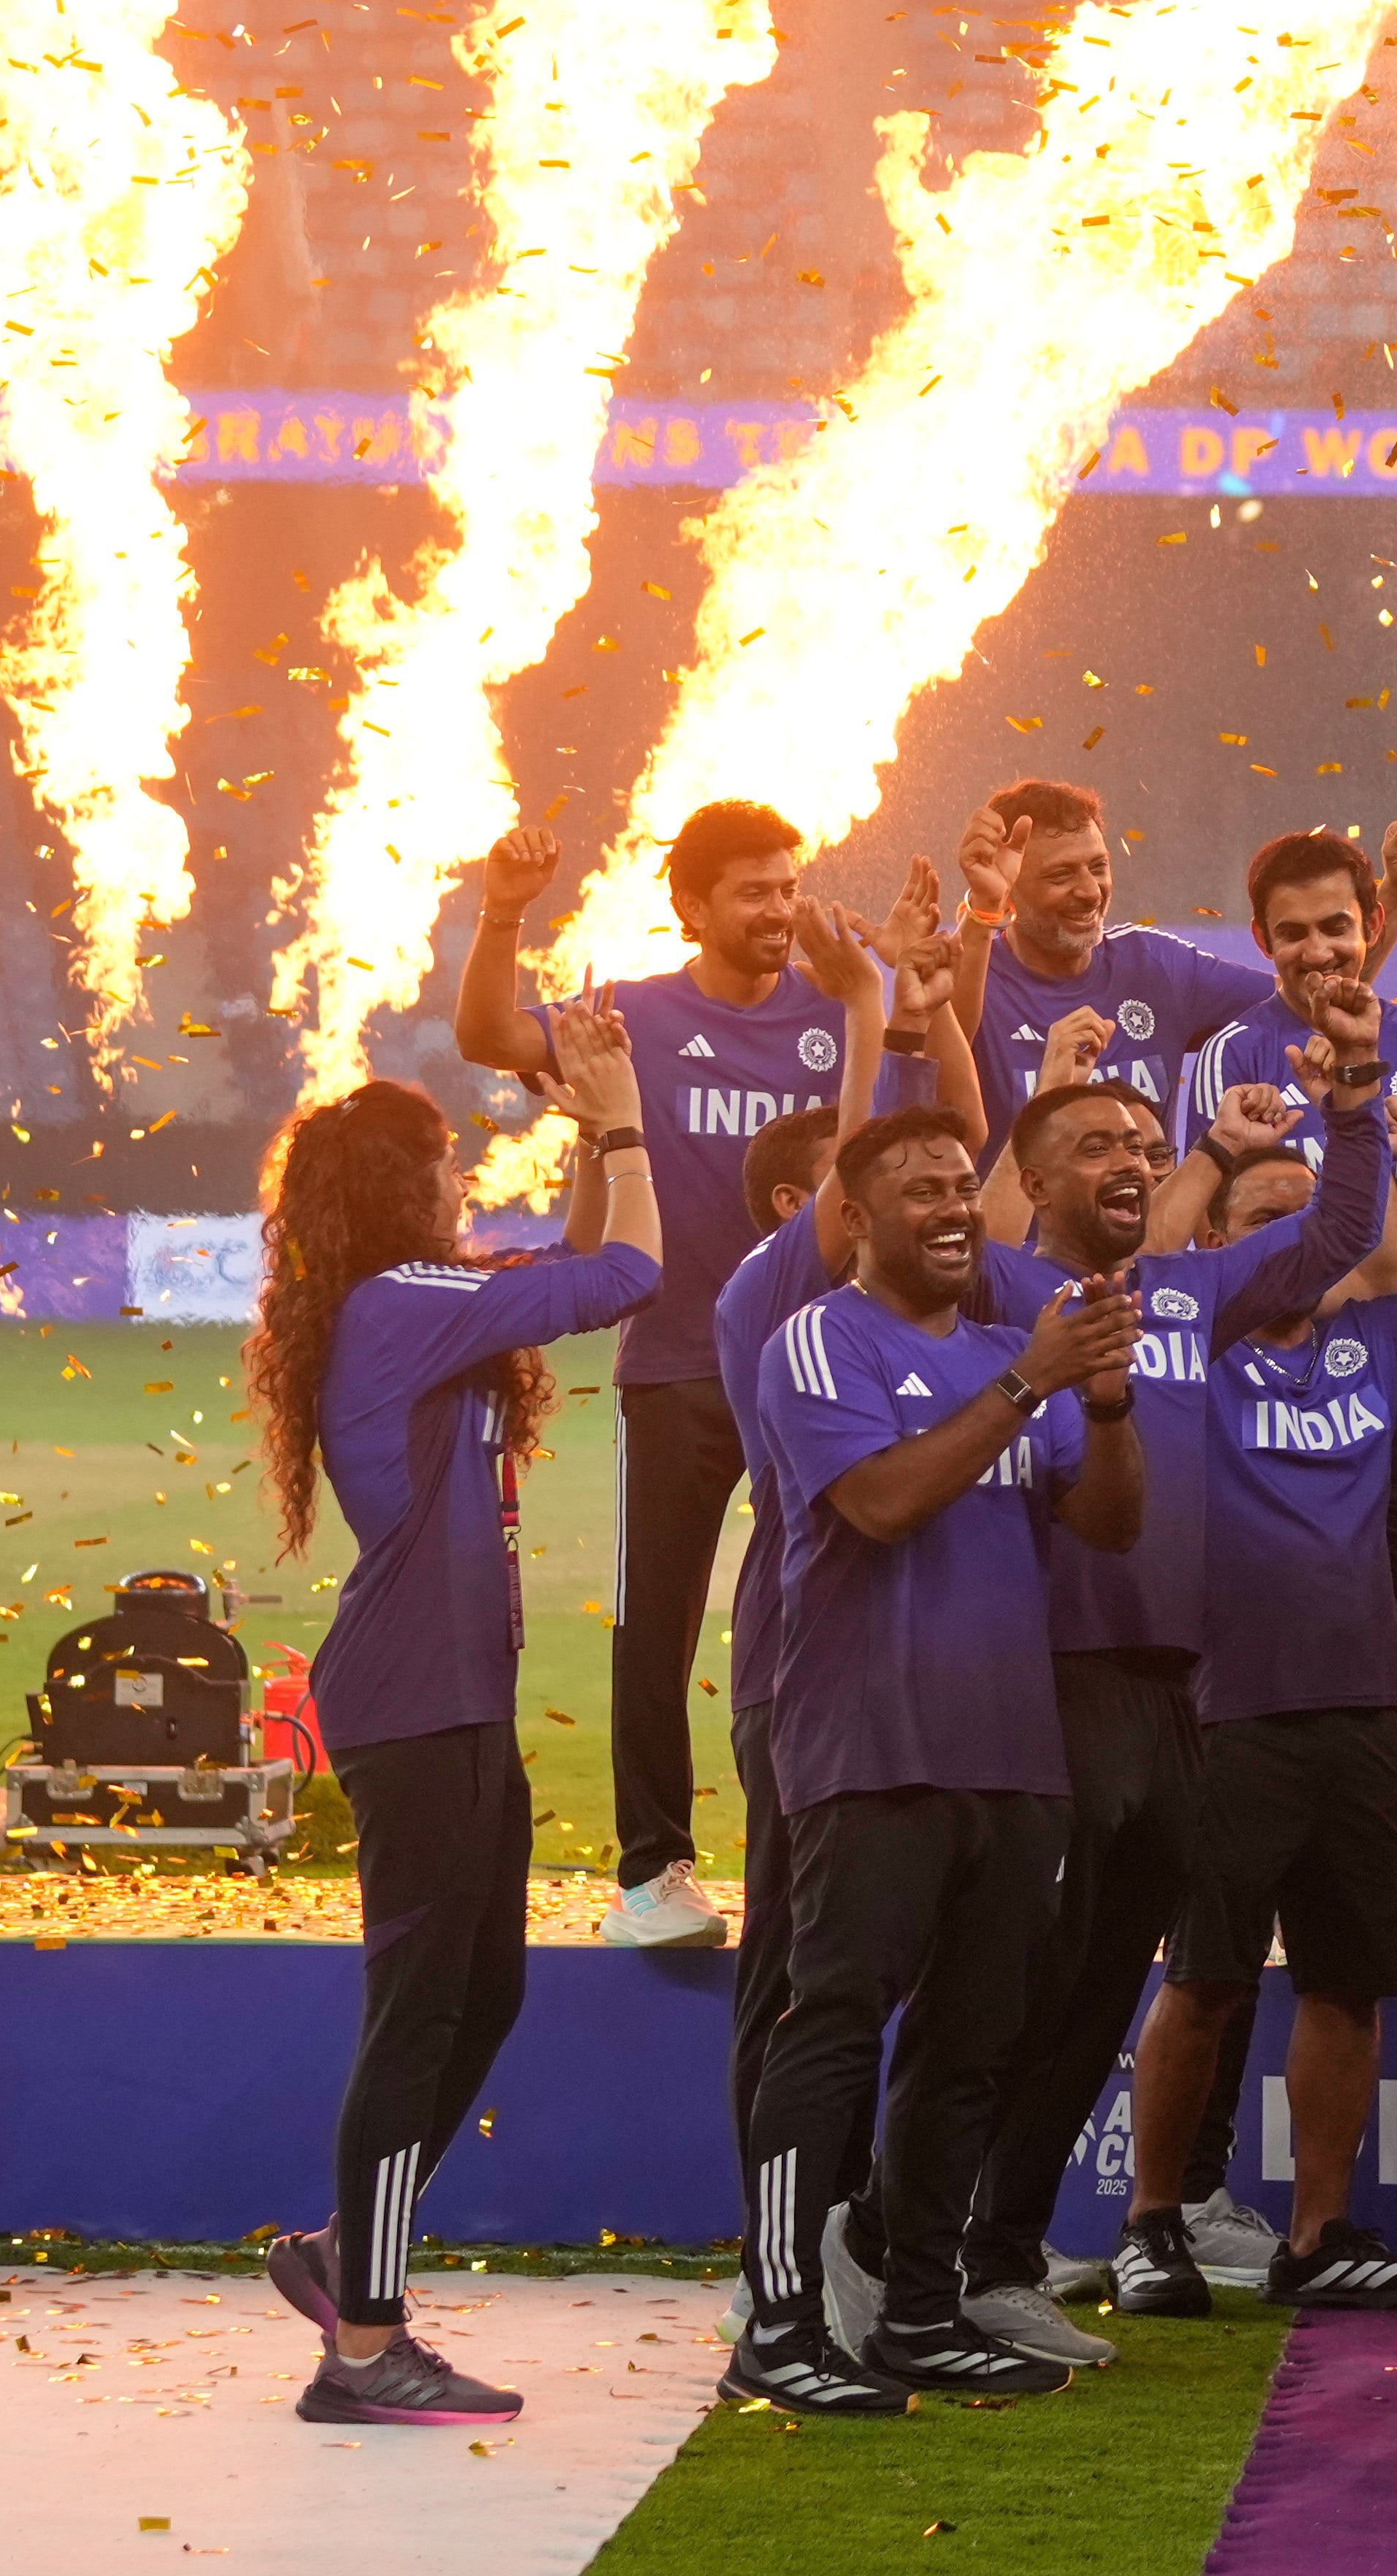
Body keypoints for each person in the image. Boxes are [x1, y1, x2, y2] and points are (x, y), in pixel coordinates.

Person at [244, 1005, 664, 2423]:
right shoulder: (399, 1304)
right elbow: (628, 1274)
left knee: (484, 1994)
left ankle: (341, 2253)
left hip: (453, 1690)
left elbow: (570, 1264)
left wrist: (587, 1137)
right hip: (416, 1693)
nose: (460, 1177)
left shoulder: (413, 1298)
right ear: (399, 1182)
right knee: (416, 2012)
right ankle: (363, 2345)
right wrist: (621, 1119)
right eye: (441, 1160)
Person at [967, 997, 1393, 2338]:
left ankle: (998, 2252)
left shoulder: (1192, 1298)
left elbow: (1337, 1233)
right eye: (1099, 1144)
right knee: (1019, 1982)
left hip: (1178, 1687)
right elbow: (973, 1232)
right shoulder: (1005, 1290)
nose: (1133, 1160)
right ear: (1036, 1180)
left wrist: (1355, 1097)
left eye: (1145, 1145)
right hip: (1047, 1674)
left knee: (1100, 1989)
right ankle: (918, 2241)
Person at [728, 1108, 1144, 2417]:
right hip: (870, 1741)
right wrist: (1029, 1383)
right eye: (920, 1190)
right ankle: (778, 2317)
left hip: (1011, 1750)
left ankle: (918, 2309)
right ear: (855, 1218)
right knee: (834, 2025)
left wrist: (1107, 1399)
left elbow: (1110, 1522)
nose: (955, 1207)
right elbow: (880, 1503)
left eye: (965, 1185)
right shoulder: (821, 1340)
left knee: (971, 2041)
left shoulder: (1004, 1351)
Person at [1118, 1087, 1397, 2313]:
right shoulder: (1190, 1350)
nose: (1301, 1240)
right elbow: (1146, 1268)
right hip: (1230, 1709)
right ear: (1219, 1245)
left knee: (1348, 1982)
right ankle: (1151, 2223)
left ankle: (1319, 2234)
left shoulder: (1378, 1341)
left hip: (1359, 1704)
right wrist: (1213, 1156)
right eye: (1268, 1221)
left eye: (1315, 1218)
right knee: (1207, 1977)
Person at [1143, 818, 1397, 1977]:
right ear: (1260, 941)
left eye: (1336, 927)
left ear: (1369, 927)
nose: (1316, 951)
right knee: (1252, 1634)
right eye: (1292, 934)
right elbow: (1194, 1226)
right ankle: (1228, 1873)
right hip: (1258, 1383)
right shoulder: (1231, 1055)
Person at [454, 801, 831, 1953]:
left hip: (821, 1369)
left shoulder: (839, 1011)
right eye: (754, 892)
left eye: (787, 887)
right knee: (655, 1621)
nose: (778, 910)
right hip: (676, 1361)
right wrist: (503, 913)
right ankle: (652, 1873)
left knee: (833, 1615)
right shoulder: (632, 1016)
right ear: (693, 907)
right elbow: (488, 1035)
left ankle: (825, 1852)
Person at [947, 777, 1279, 1132]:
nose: (1091, 892)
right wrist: (985, 902)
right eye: (1060, 875)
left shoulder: (1156, 965)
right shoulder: (977, 979)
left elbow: (1299, 1006)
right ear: (1009, 888)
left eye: (1098, 867)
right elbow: (933, 1066)